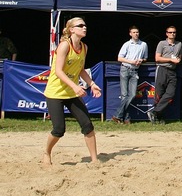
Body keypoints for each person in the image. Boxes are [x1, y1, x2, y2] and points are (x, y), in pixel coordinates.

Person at [43, 18, 102, 165]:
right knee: (59, 129)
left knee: (87, 125)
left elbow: (81, 70)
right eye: (80, 25)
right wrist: (75, 86)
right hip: (55, 93)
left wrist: (92, 83)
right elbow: (58, 71)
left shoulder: (84, 47)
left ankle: (94, 160)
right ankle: (47, 152)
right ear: (71, 29)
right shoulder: (64, 46)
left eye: (85, 25)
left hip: (71, 93)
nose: (84, 27)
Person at [112, 26, 148, 124]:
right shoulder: (127, 44)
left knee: (132, 95)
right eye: (134, 32)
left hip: (135, 71)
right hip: (125, 68)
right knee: (124, 95)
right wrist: (131, 61)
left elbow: (145, 58)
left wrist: (141, 60)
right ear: (130, 34)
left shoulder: (143, 45)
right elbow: (119, 58)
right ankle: (126, 118)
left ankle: (118, 115)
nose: (136, 34)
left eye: (137, 32)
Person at [148, 26, 182, 124]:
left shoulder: (179, 44)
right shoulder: (162, 43)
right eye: (170, 32)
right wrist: (170, 59)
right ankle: (158, 117)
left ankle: (155, 112)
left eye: (174, 32)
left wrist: (178, 60)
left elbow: (179, 56)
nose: (172, 34)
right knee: (159, 94)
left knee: (170, 94)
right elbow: (157, 58)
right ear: (166, 33)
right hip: (162, 69)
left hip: (173, 70)